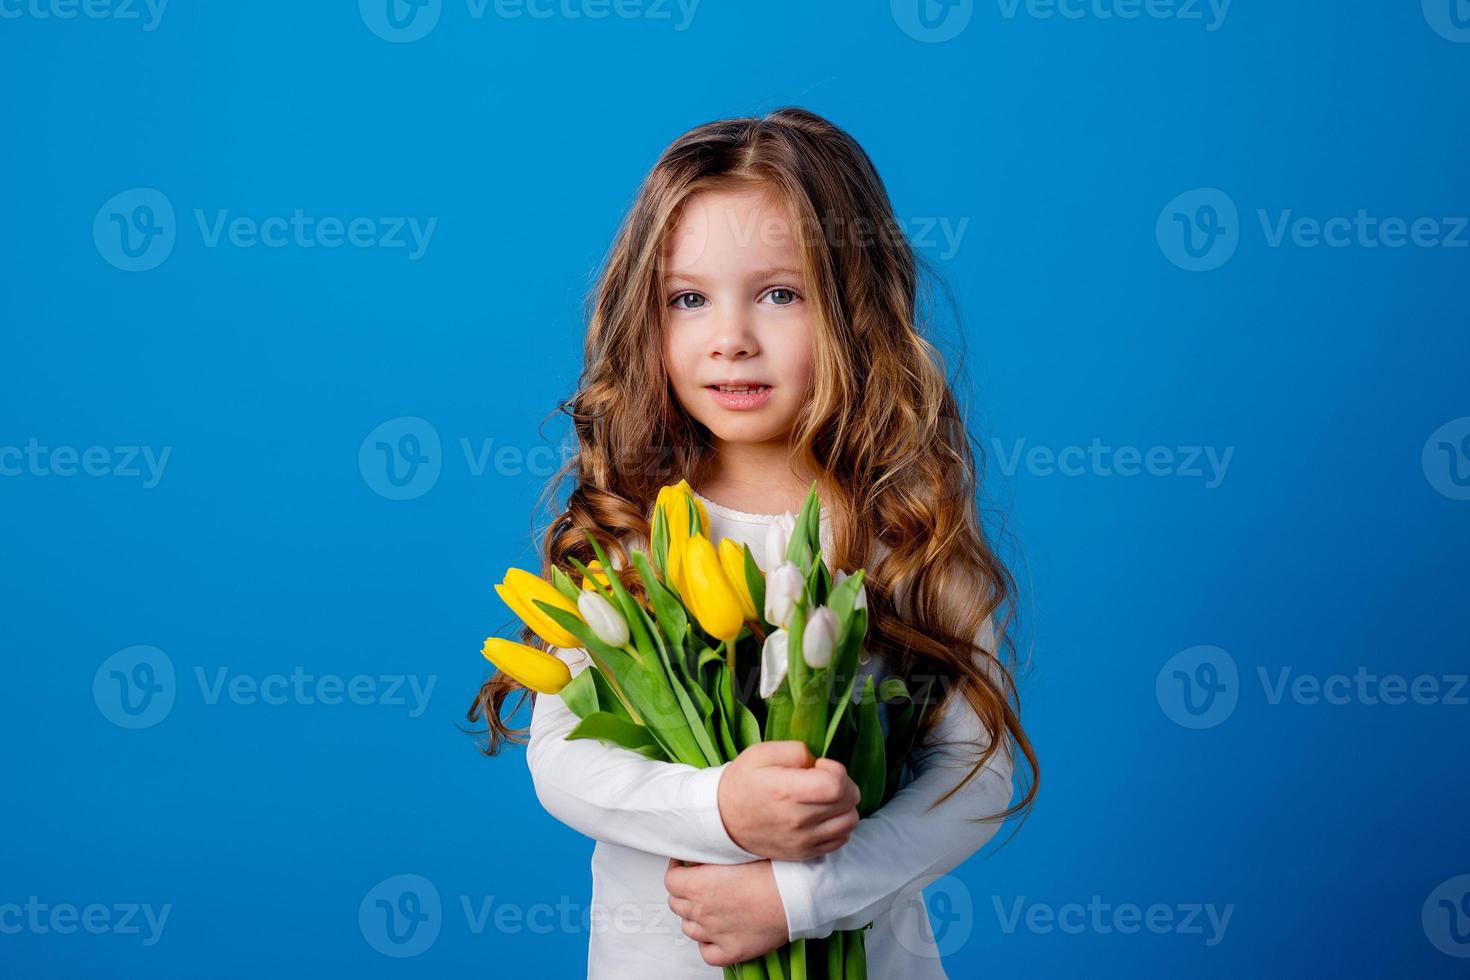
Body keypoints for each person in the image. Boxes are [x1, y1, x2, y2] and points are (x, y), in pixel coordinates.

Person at [469, 106, 1038, 978]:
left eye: (780, 294)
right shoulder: (634, 534)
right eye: (689, 299)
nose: (731, 338)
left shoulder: (906, 537)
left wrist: (801, 898)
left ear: (855, 309)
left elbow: (975, 777)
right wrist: (722, 809)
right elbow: (564, 760)